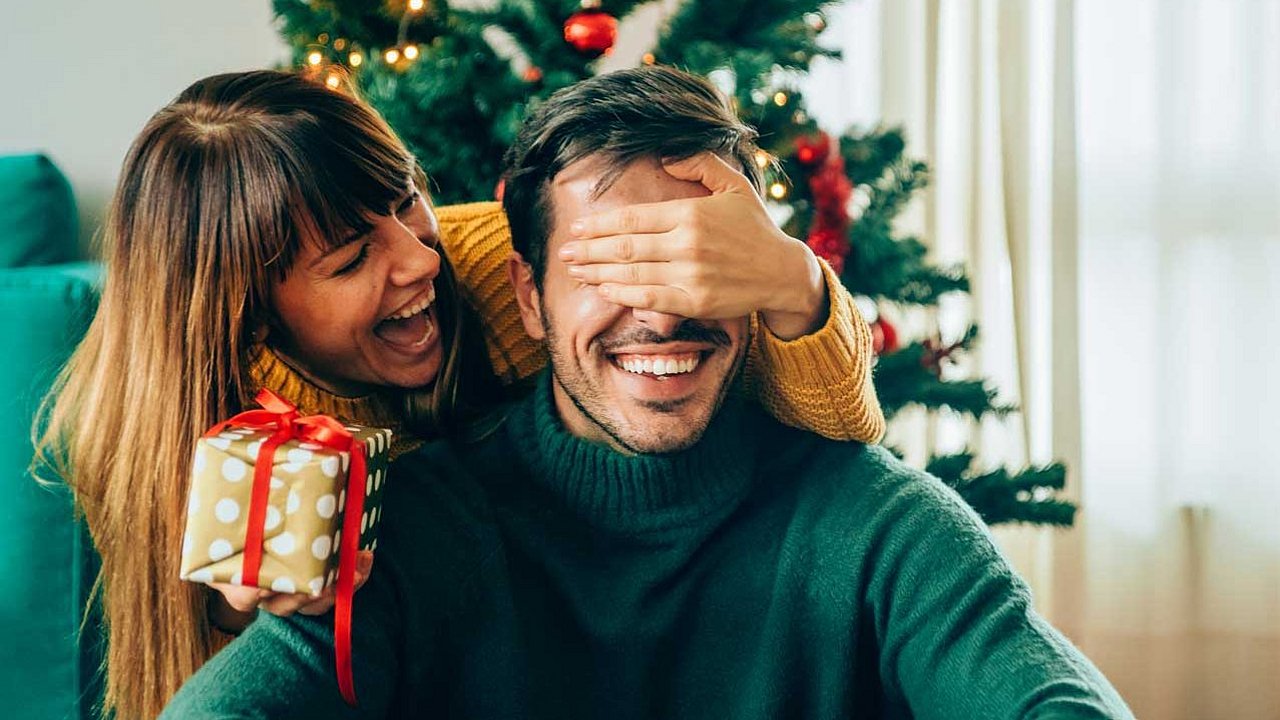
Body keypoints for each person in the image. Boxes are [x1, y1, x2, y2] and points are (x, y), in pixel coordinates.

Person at [161, 66, 1134, 719]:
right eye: (606, 266)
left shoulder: (873, 525)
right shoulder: (406, 534)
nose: (659, 313)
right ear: (528, 296)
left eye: (692, 263)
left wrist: (797, 284)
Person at [35, 70, 885, 718]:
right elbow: (203, 684)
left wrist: (794, 278)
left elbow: (839, 433)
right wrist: (238, 617)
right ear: (250, 317)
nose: (418, 262)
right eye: (348, 260)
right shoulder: (191, 444)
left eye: (407, 203)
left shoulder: (512, 272)